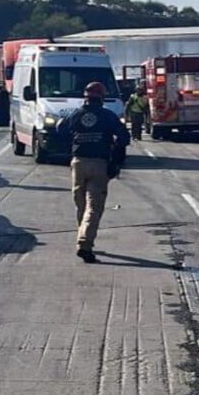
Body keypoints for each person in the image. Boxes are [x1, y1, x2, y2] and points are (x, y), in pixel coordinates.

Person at [57, 82, 130, 263]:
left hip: (78, 163)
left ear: (85, 97)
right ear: (102, 97)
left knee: (80, 203)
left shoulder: (76, 114)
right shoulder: (107, 116)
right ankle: (85, 242)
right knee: (94, 207)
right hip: (99, 164)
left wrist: (72, 144)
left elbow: (60, 129)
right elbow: (124, 138)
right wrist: (116, 159)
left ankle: (83, 237)